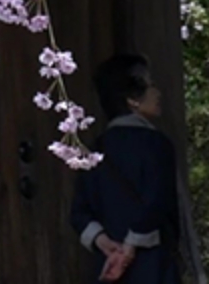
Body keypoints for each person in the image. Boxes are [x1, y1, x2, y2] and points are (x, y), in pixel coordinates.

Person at [71, 53, 190, 283]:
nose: (158, 92)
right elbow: (157, 201)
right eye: (151, 84)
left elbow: (78, 212)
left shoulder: (94, 149)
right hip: (154, 267)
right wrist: (130, 246)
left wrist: (106, 244)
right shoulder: (156, 144)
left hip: (110, 269)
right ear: (132, 99)